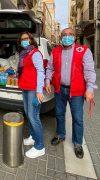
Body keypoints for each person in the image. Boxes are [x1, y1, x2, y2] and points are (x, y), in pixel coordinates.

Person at [45, 28, 97, 159]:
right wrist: (47, 81)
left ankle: (78, 143)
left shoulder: (84, 50)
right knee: (59, 114)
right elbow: (50, 68)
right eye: (64, 35)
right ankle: (60, 135)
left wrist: (90, 89)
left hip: (77, 91)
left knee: (78, 118)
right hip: (59, 89)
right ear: (60, 38)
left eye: (70, 35)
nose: (67, 37)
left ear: (74, 37)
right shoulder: (56, 51)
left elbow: (90, 71)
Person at [18, 32, 45, 158]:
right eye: (22, 39)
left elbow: (40, 71)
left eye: (26, 38)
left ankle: (40, 146)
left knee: (34, 116)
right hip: (25, 87)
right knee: (28, 113)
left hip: (34, 89)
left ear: (31, 40)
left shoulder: (35, 53)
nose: (24, 41)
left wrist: (39, 91)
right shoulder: (24, 54)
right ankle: (33, 137)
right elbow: (25, 70)